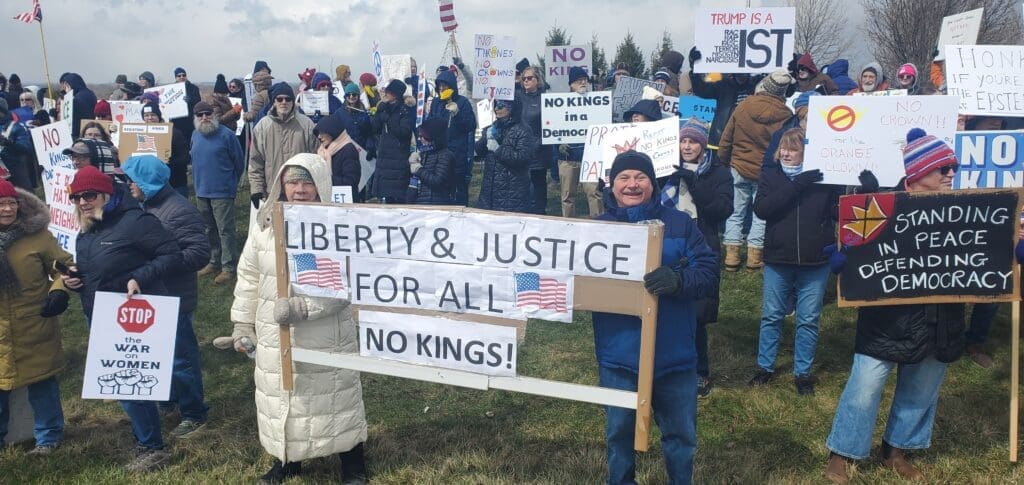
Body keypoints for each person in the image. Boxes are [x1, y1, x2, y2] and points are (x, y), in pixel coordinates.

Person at [823, 129, 978, 483]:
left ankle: (896, 450)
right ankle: (843, 451)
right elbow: (858, 251)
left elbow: (981, 257)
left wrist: (1008, 252)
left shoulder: (967, 211)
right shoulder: (883, 209)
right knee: (865, 386)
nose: (950, 174)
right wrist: (845, 258)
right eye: (941, 168)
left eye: (952, 167)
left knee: (921, 389)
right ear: (915, 176)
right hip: (886, 321)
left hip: (941, 319)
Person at [231, 154, 368, 484]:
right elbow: (248, 276)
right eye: (293, 182)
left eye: (307, 182)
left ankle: (352, 463)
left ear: (321, 186)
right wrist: (242, 323)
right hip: (274, 333)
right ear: (282, 185)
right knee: (280, 398)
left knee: (336, 398)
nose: (300, 190)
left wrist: (303, 309)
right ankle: (287, 460)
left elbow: (344, 285)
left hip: (324, 333)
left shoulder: (335, 230)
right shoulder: (265, 228)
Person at [593, 150, 717, 484]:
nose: (632, 185)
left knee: (681, 436)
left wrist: (678, 281)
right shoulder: (596, 230)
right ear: (612, 184)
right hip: (619, 356)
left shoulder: (679, 224)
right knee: (619, 434)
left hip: (674, 357)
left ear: (653, 182)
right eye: (624, 178)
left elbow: (708, 272)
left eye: (640, 177)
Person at [62, 165, 182, 472]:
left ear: (106, 193)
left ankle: (152, 447)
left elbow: (172, 255)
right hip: (100, 316)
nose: (83, 202)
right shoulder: (87, 231)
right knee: (124, 386)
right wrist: (74, 281)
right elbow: (93, 272)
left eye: (89, 195)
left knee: (129, 386)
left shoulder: (135, 221)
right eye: (77, 197)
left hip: (133, 315)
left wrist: (138, 276)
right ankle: (151, 429)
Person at [121, 155, 210, 438]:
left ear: (148, 180)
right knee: (161, 355)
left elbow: (199, 253)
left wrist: (157, 266)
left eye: (132, 180)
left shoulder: (178, 211)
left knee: (181, 359)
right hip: (155, 295)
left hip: (174, 296)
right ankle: (170, 401)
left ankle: (194, 413)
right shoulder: (145, 206)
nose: (128, 185)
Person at [748, 128, 840, 394]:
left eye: (793, 148)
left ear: (806, 152)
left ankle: (803, 372)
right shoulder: (771, 175)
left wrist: (860, 190)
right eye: (783, 148)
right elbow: (763, 209)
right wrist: (797, 185)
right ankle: (765, 367)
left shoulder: (824, 178)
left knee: (809, 318)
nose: (786, 153)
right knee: (772, 315)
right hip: (779, 257)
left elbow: (837, 211)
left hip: (815, 260)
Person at [660, 118, 734, 397]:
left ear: (703, 145)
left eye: (693, 141)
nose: (687, 146)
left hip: (701, 244)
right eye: (683, 140)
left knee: (697, 314)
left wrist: (695, 184)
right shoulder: (666, 168)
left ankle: (700, 371)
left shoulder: (719, 173)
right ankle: (668, 367)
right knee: (667, 308)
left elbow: (722, 209)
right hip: (669, 243)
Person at [0, 178, 73, 456]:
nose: (7, 209)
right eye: (1, 204)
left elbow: (64, 267)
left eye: (11, 203)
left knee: (42, 384)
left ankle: (49, 437)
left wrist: (59, 291)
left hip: (34, 323)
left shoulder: (38, 237)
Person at [718, 70, 795, 272]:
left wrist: (723, 161)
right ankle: (754, 258)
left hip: (739, 167)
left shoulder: (743, 106)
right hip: (766, 171)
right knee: (761, 214)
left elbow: (727, 137)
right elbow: (785, 145)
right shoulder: (786, 115)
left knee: (735, 212)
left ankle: (732, 257)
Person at [190, 101, 245, 284]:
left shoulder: (227, 135)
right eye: (200, 115)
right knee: (209, 229)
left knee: (225, 230)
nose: (204, 117)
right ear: (195, 118)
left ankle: (228, 267)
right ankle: (214, 261)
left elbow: (239, 163)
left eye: (207, 114)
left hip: (222, 191)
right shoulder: (195, 135)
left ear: (214, 115)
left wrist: (231, 184)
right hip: (201, 191)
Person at [249, 82, 317, 206]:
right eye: (279, 99)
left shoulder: (307, 125)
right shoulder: (262, 127)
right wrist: (256, 189)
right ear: (274, 102)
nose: (283, 102)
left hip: (300, 193)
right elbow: (255, 162)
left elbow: (316, 160)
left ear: (293, 101)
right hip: (273, 192)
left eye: (288, 99)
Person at [688, 47, 762, 148]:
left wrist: (790, 72)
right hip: (721, 139)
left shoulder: (758, 85)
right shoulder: (723, 85)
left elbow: (784, 91)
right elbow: (702, 91)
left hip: (748, 141)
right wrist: (695, 68)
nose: (742, 73)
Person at [476, 98, 536, 213]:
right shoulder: (493, 126)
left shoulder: (523, 129)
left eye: (501, 105)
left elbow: (523, 158)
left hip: (512, 192)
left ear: (511, 108)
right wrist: (485, 138)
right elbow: (479, 152)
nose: (496, 108)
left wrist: (498, 150)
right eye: (495, 105)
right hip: (490, 191)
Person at [426, 69, 476, 206]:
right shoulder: (436, 103)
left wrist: (457, 114)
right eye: (439, 85)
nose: (442, 88)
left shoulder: (463, 102)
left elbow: (471, 125)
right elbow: (429, 124)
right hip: (437, 154)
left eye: (445, 85)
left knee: (458, 193)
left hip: (456, 155)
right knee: (438, 190)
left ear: (452, 86)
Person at [557, 67, 602, 218]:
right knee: (567, 196)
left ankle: (599, 224)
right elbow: (553, 128)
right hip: (568, 158)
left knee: (594, 193)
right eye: (578, 80)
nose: (583, 82)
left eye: (585, 80)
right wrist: (558, 144)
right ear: (571, 84)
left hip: (590, 157)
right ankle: (568, 225)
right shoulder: (560, 104)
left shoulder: (597, 102)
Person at [369, 79, 414, 204]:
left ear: (396, 94)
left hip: (397, 158)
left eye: (388, 92)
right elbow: (375, 129)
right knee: (384, 194)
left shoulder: (404, 110)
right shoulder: (384, 108)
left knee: (396, 196)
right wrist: (378, 114)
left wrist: (388, 119)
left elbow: (405, 133)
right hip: (384, 157)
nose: (385, 94)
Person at [516, 66, 551, 214]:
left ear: (537, 80)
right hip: (521, 149)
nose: (526, 81)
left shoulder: (546, 98)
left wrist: (539, 143)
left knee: (538, 186)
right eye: (524, 78)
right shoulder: (517, 96)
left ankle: (540, 214)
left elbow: (550, 125)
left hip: (539, 150)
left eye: (530, 78)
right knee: (523, 186)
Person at [141, 102, 191, 197]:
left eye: (153, 115)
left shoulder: (173, 133)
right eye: (146, 115)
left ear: (159, 116)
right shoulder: (141, 135)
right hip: (151, 185)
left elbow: (186, 157)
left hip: (175, 184)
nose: (149, 118)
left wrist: (168, 160)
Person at [407, 117, 455, 205]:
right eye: (419, 135)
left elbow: (437, 181)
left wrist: (418, 169)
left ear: (433, 136)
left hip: (436, 205)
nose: (420, 139)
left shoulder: (446, 155)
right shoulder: (424, 153)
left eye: (423, 136)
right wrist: (411, 164)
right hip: (420, 203)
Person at [315, 112, 360, 199]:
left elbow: (351, 181)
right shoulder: (323, 151)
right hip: (329, 198)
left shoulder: (349, 149)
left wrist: (326, 180)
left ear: (332, 131)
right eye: (318, 133)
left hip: (346, 201)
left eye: (323, 132)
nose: (319, 137)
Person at [0, 99, 34, 190]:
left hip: (14, 169)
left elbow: (27, 148)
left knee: (25, 198)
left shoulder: (16, 127)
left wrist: (10, 143)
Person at [58, 72, 97, 138]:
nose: (65, 89)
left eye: (67, 86)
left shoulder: (77, 98)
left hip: (79, 132)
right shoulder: (89, 93)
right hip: (89, 128)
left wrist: (68, 96)